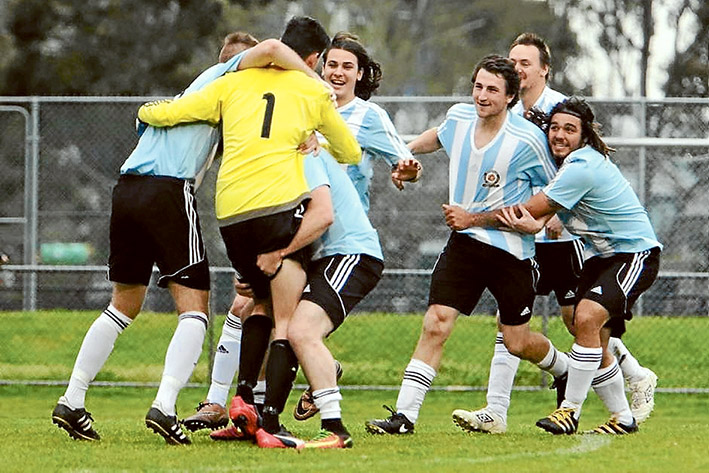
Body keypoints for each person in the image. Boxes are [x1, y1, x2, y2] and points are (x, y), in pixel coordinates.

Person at [50, 32, 322, 445]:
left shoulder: (197, 97)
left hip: (127, 188)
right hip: (167, 191)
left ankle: (72, 399)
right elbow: (270, 47)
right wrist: (312, 85)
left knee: (123, 304)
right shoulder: (229, 73)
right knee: (195, 309)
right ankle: (165, 406)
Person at [181, 31, 421, 434]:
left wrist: (407, 168)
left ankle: (270, 404)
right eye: (333, 65)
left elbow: (404, 158)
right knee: (253, 309)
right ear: (318, 66)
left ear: (360, 74)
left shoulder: (365, 117)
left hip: (333, 234)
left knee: (288, 324)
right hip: (297, 227)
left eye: (348, 66)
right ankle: (236, 407)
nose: (339, 72)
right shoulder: (300, 102)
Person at [137, 16, 361, 446]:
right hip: (277, 210)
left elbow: (176, 111)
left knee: (257, 304)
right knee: (286, 320)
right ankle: (270, 421)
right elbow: (349, 150)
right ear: (312, 58)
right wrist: (318, 137)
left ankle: (242, 404)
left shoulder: (230, 84)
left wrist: (145, 113)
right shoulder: (314, 90)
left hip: (232, 217)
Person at [458, 32, 656, 434]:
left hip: (616, 251)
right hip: (582, 249)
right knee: (546, 322)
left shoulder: (566, 132)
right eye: (511, 60)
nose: (559, 135)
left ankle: (578, 405)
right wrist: (534, 222)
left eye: (525, 62)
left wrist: (472, 218)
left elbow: (540, 202)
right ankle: (505, 410)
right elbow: (538, 209)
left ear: (544, 69)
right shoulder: (510, 115)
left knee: (581, 320)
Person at [364, 55, 568, 436]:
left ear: (510, 97)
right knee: (436, 324)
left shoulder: (528, 139)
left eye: (492, 89)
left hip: (513, 253)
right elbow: (436, 136)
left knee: (517, 340)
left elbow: (557, 187)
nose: (482, 95)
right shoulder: (459, 118)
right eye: (478, 86)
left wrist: (544, 218)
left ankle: (564, 369)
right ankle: (404, 416)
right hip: (464, 246)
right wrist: (404, 155)